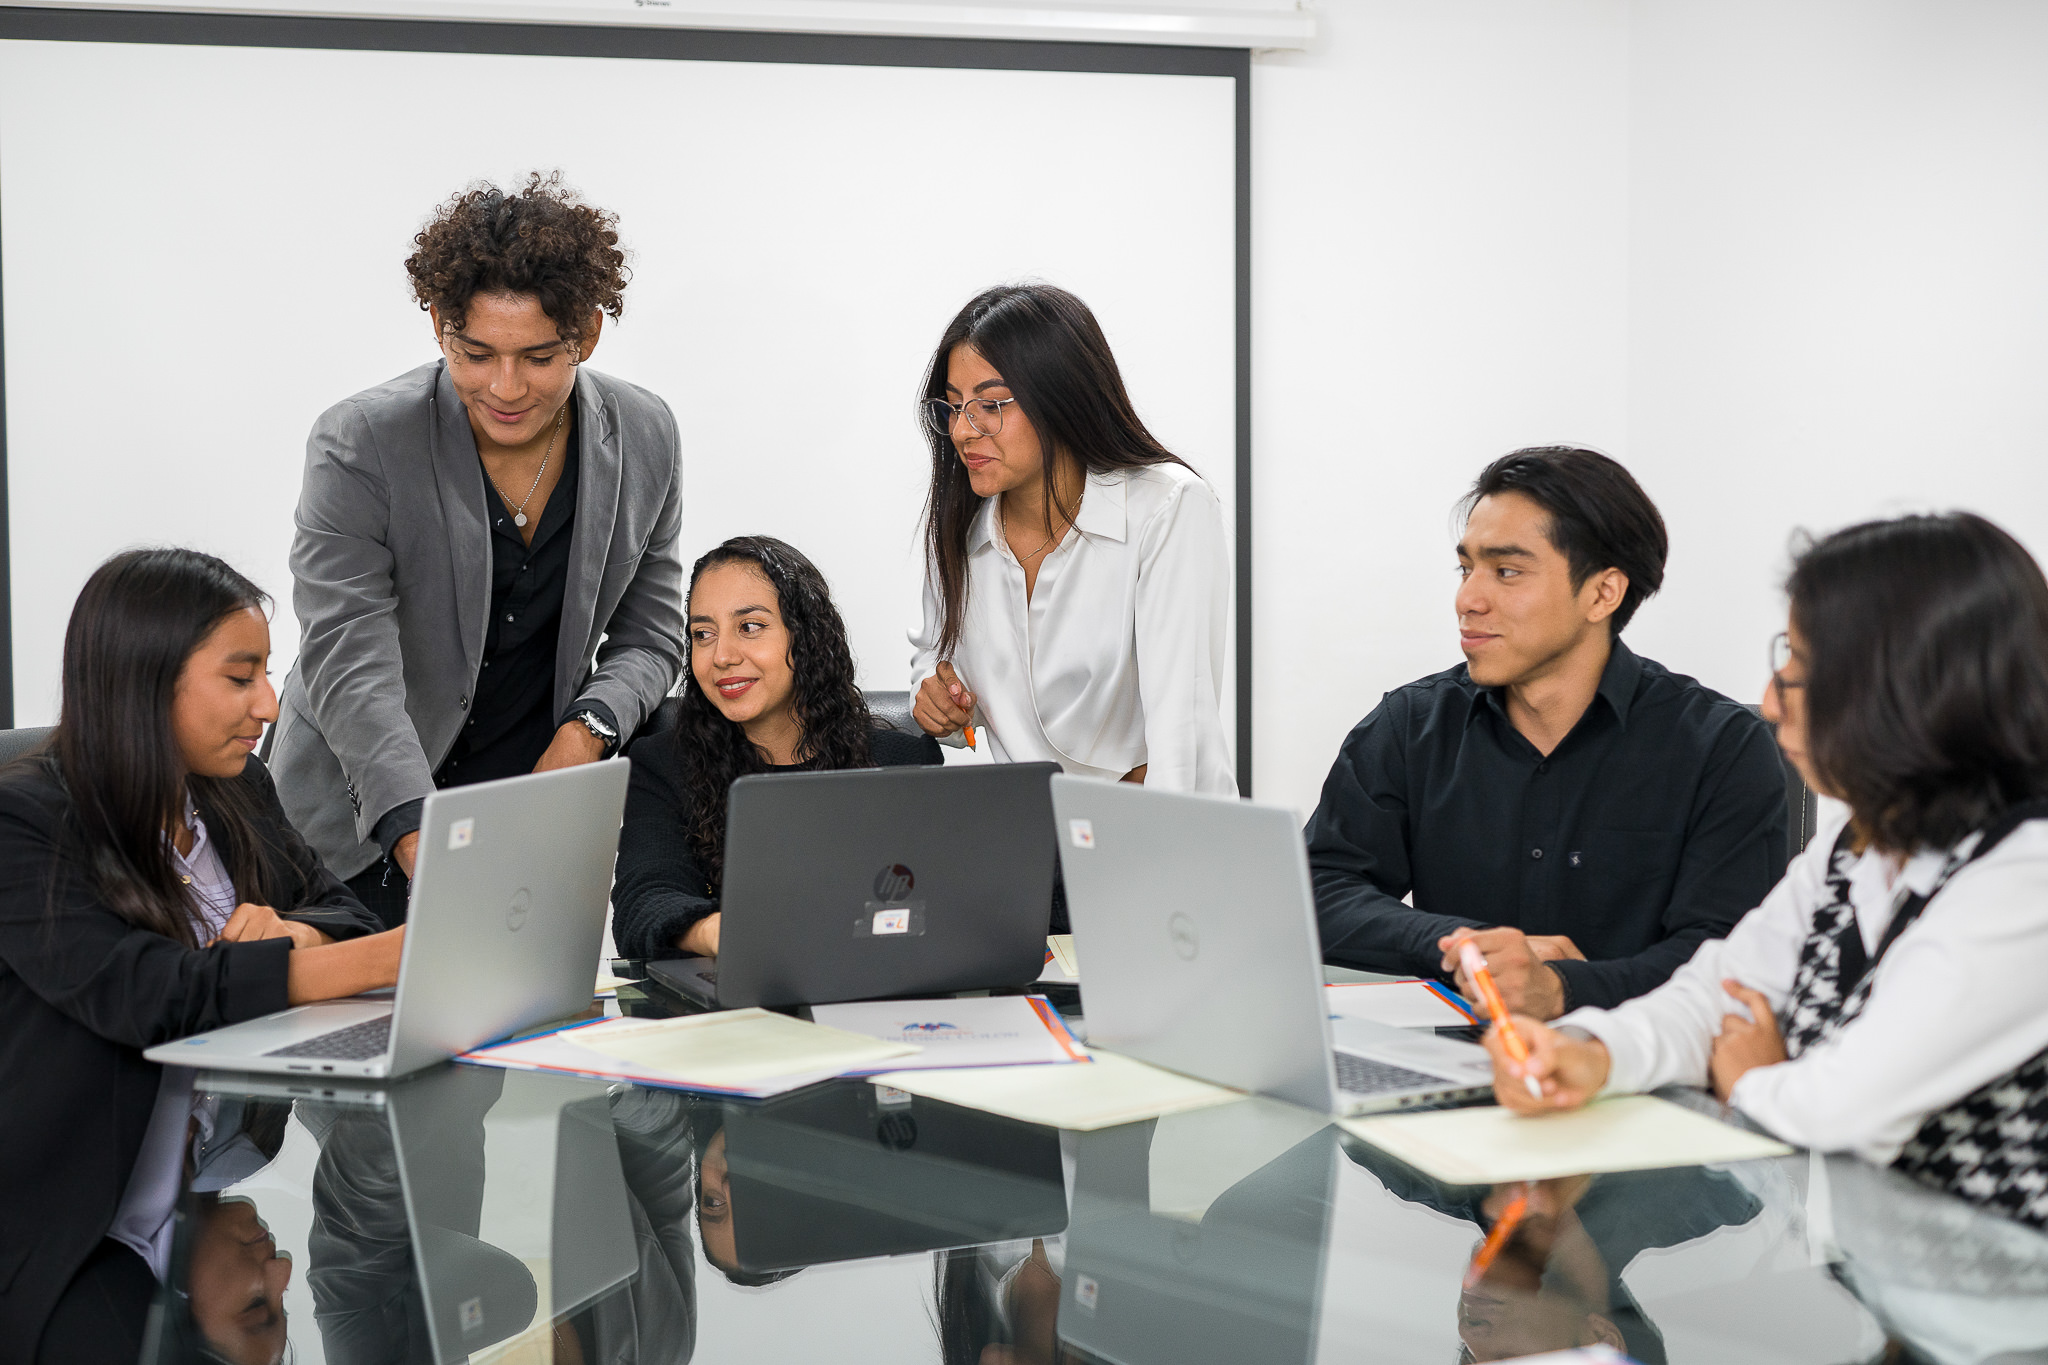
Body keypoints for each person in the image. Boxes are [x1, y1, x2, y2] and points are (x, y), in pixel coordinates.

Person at [1482, 512, 2048, 1232]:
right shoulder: (1853, 848)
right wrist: (1592, 1051)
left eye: (1803, 672)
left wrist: (1749, 1078)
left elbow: (1844, 1110)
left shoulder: (2027, 874)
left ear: (1914, 693)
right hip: (1894, 1304)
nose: (1773, 699)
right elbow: (1713, 995)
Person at [0, 548, 399, 1363]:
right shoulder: (23, 820)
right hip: (70, 1225)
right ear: (146, 682)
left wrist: (303, 933)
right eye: (241, 676)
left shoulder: (232, 789)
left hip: (203, 1199)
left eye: (267, 673)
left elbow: (344, 912)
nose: (269, 703)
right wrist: (391, 956)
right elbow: (152, 994)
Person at [269, 172, 685, 927]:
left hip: (522, 822)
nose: (505, 386)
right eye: (476, 352)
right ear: (438, 325)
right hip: (354, 830)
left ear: (586, 334)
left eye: (537, 356)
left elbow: (652, 635)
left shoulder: (646, 433)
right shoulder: (360, 441)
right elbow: (346, 656)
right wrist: (419, 835)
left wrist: (585, 733)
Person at [1305, 447, 1788, 1018]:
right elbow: (1318, 891)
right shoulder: (1412, 725)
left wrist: (1561, 988)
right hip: (1456, 1063)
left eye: (1507, 572)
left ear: (1602, 593)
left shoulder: (1722, 750)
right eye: (1466, 569)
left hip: (1643, 1074)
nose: (1468, 599)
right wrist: (1468, 946)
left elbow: (1722, 958)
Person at [908, 283, 1235, 795]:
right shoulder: (958, 529)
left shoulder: (1166, 509)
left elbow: (1182, 736)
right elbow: (934, 658)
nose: (964, 431)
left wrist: (1143, 833)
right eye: (953, 406)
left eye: (991, 404)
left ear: (1059, 395)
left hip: (1152, 836)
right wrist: (935, 701)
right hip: (1030, 840)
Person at [612, 537, 941, 961]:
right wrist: (719, 932)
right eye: (703, 634)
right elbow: (645, 902)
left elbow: (934, 908)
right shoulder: (661, 764)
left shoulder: (905, 761)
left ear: (806, 635)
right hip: (732, 1003)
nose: (721, 656)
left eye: (749, 627)